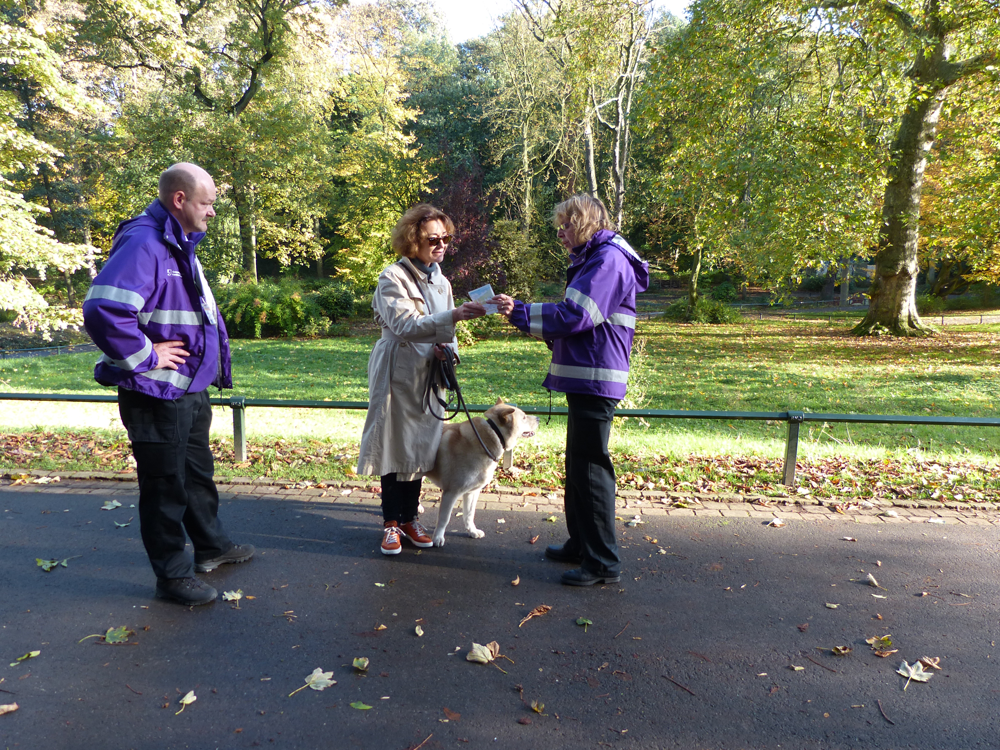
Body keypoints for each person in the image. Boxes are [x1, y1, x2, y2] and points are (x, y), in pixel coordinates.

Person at [82, 162, 254, 606]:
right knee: (164, 485)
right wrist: (145, 356)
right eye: (207, 202)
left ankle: (212, 547)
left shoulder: (177, 242)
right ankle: (173, 577)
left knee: (196, 473)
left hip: (187, 388)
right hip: (156, 392)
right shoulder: (146, 242)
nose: (213, 212)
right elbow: (103, 308)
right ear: (179, 200)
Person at [491, 194, 649, 586]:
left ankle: (602, 563)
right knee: (579, 466)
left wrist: (522, 312)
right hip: (588, 376)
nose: (560, 234)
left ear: (585, 223)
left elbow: (578, 315)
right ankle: (582, 545)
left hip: (595, 378)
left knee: (591, 469)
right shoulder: (599, 258)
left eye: (565, 226)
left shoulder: (608, 260)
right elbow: (585, 321)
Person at [357, 204, 486, 555]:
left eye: (446, 238)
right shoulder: (392, 277)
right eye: (433, 239)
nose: (441, 244)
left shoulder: (441, 280)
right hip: (396, 372)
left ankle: (411, 519)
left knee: (422, 447)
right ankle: (391, 524)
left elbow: (449, 332)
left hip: (429, 373)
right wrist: (454, 316)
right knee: (394, 444)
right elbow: (404, 325)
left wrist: (450, 352)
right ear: (413, 240)